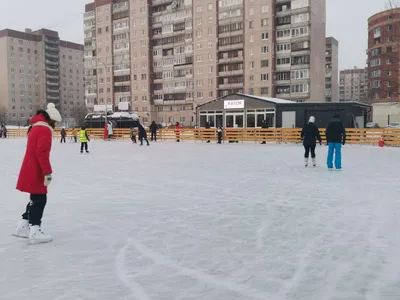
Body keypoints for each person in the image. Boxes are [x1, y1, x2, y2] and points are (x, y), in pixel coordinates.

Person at [14, 103, 61, 244]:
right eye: (56, 123)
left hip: (30, 167)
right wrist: (47, 173)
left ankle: (23, 226)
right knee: (40, 200)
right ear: (51, 121)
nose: (56, 127)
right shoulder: (44, 130)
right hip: (37, 170)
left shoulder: (36, 127)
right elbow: (42, 154)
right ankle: (34, 230)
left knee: (35, 198)